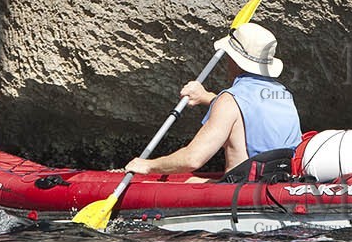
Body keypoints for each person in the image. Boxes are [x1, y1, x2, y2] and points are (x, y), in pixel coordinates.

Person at [124, 22, 302, 179]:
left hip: (242, 188)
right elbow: (247, 110)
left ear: (235, 60)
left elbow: (192, 159)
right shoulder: (283, 95)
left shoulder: (229, 101)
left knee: (191, 181)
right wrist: (205, 96)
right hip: (279, 182)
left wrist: (148, 165)